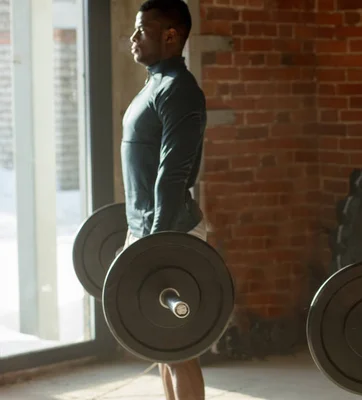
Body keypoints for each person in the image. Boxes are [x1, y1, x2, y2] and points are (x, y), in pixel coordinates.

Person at [121, 0, 208, 398]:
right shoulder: (154, 83)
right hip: (145, 229)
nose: (133, 38)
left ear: (170, 35)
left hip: (170, 232)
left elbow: (172, 175)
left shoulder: (180, 90)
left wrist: (156, 242)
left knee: (180, 349)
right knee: (159, 343)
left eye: (142, 29)